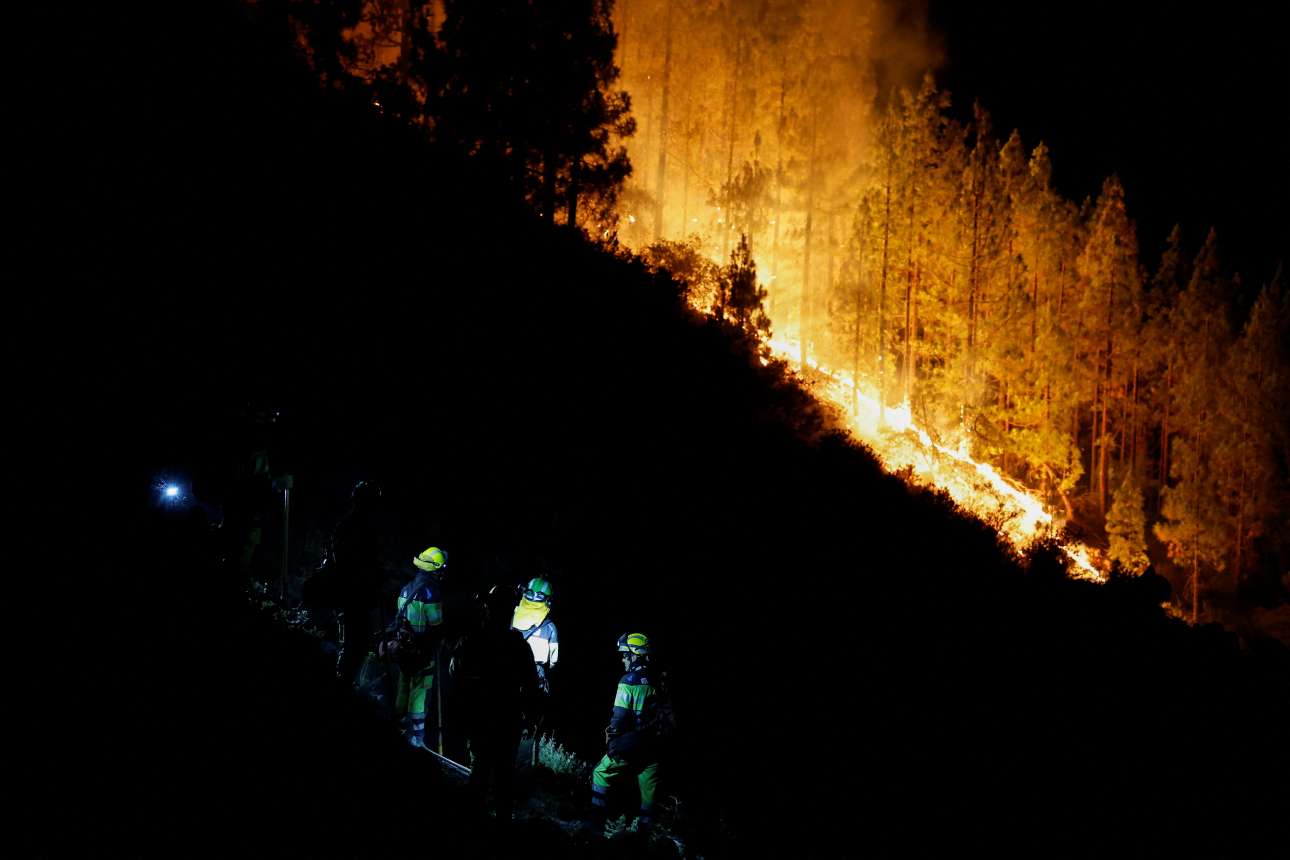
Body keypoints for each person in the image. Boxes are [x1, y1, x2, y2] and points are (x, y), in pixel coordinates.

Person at [450, 585, 541, 827]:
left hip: (481, 718)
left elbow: (457, 679)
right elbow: (532, 686)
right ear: (510, 611)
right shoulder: (518, 645)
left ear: (488, 609)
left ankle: (472, 823)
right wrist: (531, 717)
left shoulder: (472, 641)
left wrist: (460, 715)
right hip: (506, 720)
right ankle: (500, 828)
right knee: (503, 777)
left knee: (480, 771)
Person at [590, 632, 672, 836]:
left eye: (625, 654)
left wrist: (613, 742)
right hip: (655, 746)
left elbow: (619, 715)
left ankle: (595, 829)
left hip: (632, 744)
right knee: (648, 792)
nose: (622, 658)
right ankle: (645, 837)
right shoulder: (659, 678)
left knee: (600, 773)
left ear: (635, 654)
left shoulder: (629, 680)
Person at [383, 546, 448, 748]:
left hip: (403, 650)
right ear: (436, 569)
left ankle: (399, 730)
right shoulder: (431, 593)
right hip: (422, 652)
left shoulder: (406, 589)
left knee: (403, 686)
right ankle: (416, 740)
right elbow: (436, 624)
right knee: (419, 694)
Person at [331, 480, 385, 685]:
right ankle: (343, 685)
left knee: (356, 643)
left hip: (355, 594)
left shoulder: (354, 526)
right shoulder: (356, 528)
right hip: (353, 595)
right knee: (356, 643)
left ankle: (344, 683)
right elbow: (351, 562)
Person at [511, 577, 559, 693]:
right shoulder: (550, 626)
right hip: (535, 677)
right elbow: (554, 660)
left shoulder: (511, 616)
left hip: (510, 670)